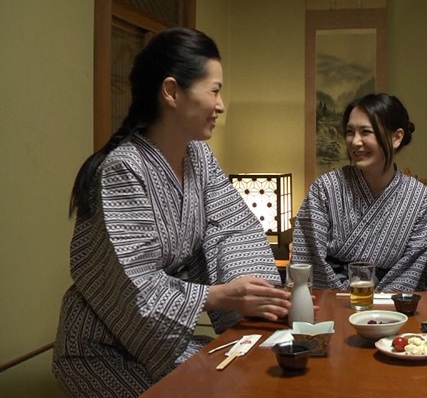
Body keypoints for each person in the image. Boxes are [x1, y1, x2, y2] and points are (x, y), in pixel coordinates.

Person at [52, 28, 291, 397]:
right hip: (104, 348)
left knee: (252, 375)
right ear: (172, 92)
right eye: (214, 90)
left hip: (162, 341)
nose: (221, 105)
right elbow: (136, 286)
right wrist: (220, 296)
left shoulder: (199, 156)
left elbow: (233, 229)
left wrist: (257, 297)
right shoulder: (123, 169)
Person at [292, 93, 427, 292]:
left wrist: (379, 300)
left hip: (390, 302)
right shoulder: (325, 187)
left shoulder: (419, 198)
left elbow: (413, 265)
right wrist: (343, 298)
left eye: (366, 132)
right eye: (350, 132)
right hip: (328, 297)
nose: (355, 142)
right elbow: (309, 254)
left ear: (396, 137)